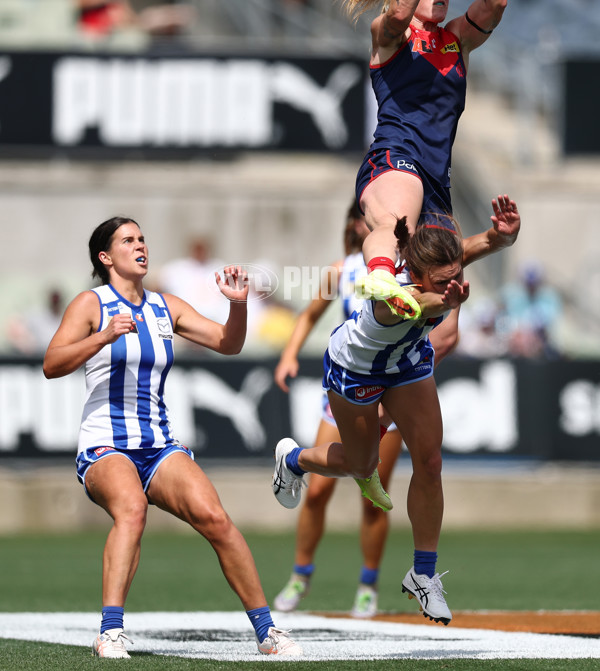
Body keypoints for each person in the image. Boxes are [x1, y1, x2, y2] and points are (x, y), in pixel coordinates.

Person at [43, 217, 302, 659]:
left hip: (159, 445)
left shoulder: (166, 307)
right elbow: (52, 363)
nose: (140, 245)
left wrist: (238, 304)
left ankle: (267, 631)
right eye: (128, 240)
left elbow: (228, 343)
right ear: (106, 257)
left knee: (215, 518)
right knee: (132, 509)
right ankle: (110, 632)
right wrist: (103, 336)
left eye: (142, 238)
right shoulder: (91, 303)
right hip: (106, 444)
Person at [272, 194, 520, 626]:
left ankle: (422, 573)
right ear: (415, 273)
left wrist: (503, 237)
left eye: (455, 276)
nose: (451, 283)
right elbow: (423, 305)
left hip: (406, 362)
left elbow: (479, 245)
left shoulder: (440, 266)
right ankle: (293, 460)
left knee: (430, 460)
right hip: (357, 371)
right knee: (360, 465)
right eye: (441, 281)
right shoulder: (390, 294)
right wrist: (447, 302)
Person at [333, 0, 507, 339]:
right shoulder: (388, 34)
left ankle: (401, 350)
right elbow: (398, 12)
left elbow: (496, 2)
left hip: (437, 179)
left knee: (445, 324)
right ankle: (380, 277)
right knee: (397, 225)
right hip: (395, 158)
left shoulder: (456, 40)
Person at [272, 199, 404, 619]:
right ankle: (300, 575)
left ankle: (368, 585)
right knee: (318, 491)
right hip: (347, 391)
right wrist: (289, 354)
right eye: (363, 220)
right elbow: (310, 315)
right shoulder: (342, 271)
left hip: (390, 395)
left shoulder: (403, 268)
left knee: (374, 496)